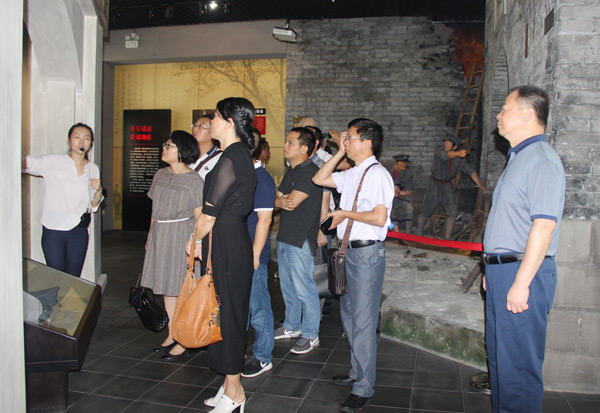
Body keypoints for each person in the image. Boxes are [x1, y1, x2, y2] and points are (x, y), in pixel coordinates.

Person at [483, 85, 565, 413]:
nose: (499, 115)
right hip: (504, 270)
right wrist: (492, 267)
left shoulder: (542, 160)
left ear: (528, 114)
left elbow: (543, 227)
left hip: (523, 272)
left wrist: (521, 281)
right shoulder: (518, 157)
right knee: (500, 362)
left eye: (505, 108)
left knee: (517, 368)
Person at [313, 118, 394, 412]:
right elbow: (320, 179)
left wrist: (345, 213)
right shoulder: (353, 172)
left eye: (351, 138)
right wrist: (339, 151)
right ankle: (357, 371)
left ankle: (364, 387)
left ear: (367, 143)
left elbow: (379, 218)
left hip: (366, 254)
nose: (346, 141)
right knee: (348, 316)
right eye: (345, 137)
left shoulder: (377, 175)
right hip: (347, 252)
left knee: (363, 322)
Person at [186, 97, 257, 413]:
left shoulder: (231, 158)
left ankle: (235, 393)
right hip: (227, 241)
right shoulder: (237, 155)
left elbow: (209, 215)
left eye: (214, 117)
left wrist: (194, 240)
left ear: (229, 122)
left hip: (226, 243)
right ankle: (230, 385)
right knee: (222, 313)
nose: (209, 122)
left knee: (228, 316)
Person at [140, 131, 203, 361]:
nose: (164, 148)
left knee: (181, 287)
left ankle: (183, 339)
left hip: (181, 236)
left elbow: (200, 216)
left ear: (183, 151)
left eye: (170, 146)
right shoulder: (160, 174)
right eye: (165, 144)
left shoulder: (194, 180)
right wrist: (150, 236)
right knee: (167, 287)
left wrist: (196, 242)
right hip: (160, 233)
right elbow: (153, 211)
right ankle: (172, 332)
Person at [23, 123, 104, 277]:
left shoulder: (93, 168)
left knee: (73, 278)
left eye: (86, 138)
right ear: (69, 140)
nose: (82, 142)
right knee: (56, 277)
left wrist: (99, 190)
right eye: (77, 137)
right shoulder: (53, 161)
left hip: (78, 231)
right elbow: (27, 164)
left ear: (91, 143)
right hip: (53, 229)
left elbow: (94, 205)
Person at [274, 127, 323, 355]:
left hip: (300, 239)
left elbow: (290, 202)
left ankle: (311, 335)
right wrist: (280, 201)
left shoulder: (310, 172)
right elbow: (277, 199)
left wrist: (281, 201)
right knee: (288, 288)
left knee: (305, 289)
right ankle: (292, 326)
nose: (285, 146)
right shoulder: (292, 171)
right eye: (286, 141)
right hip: (285, 236)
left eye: (290, 142)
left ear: (304, 148)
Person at [241, 133, 277, 378]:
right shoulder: (240, 175)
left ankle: (263, 356)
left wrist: (255, 256)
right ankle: (237, 349)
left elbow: (264, 221)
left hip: (253, 254)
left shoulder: (262, 180)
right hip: (237, 251)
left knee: (259, 306)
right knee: (240, 307)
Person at [417, 135, 486, 239]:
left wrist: (479, 184)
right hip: (434, 186)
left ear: (455, 147)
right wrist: (459, 153)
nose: (446, 144)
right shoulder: (439, 152)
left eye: (449, 143)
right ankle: (418, 235)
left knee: (452, 212)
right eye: (445, 142)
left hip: (447, 187)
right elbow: (446, 156)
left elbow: (470, 171)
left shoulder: (460, 161)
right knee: (425, 211)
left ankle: (447, 238)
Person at [190, 113, 222, 181]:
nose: (195, 129)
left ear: (213, 132)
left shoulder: (220, 158)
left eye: (201, 126)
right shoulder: (187, 154)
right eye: (195, 125)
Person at [389, 154, 414, 233]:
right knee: (389, 210)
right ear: (396, 163)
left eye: (405, 163)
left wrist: (399, 192)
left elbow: (409, 191)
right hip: (389, 196)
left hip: (403, 197)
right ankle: (393, 230)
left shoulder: (408, 174)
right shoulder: (388, 171)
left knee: (410, 210)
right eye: (402, 163)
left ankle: (408, 233)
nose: (404, 165)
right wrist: (391, 191)